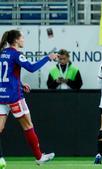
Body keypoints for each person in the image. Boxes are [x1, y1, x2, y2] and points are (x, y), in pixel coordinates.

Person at [0, 29, 57, 167]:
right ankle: (39, 157)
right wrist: (47, 58)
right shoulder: (16, 54)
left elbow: (5, 74)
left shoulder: (2, 53)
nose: (24, 40)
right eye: (22, 38)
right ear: (16, 40)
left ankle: (0, 158)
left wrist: (19, 83)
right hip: (14, 98)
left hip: (1, 96)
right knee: (28, 126)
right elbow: (31, 68)